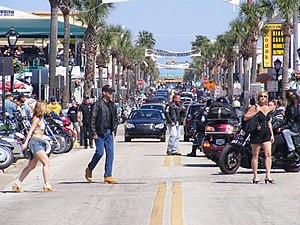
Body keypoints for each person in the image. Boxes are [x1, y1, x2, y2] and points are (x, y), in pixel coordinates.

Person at [12, 101, 55, 192]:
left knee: (31, 166)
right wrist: (26, 143)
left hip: (40, 142)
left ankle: (18, 183)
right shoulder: (36, 118)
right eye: (44, 107)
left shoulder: (41, 118)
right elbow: (30, 131)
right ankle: (46, 184)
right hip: (35, 142)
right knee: (46, 162)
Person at [85, 85, 118, 184]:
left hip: (108, 132)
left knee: (110, 154)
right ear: (104, 93)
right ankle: (89, 168)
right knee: (99, 152)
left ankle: (108, 175)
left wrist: (114, 130)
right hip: (99, 133)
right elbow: (92, 119)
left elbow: (115, 119)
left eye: (112, 92)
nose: (111, 94)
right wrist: (93, 132)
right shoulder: (97, 104)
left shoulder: (112, 105)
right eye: (109, 92)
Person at [244, 90, 274, 184]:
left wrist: (272, 134)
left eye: (265, 96)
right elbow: (245, 117)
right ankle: (255, 176)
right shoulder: (254, 107)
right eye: (261, 96)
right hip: (256, 133)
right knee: (255, 155)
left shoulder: (268, 108)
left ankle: (268, 175)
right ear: (258, 97)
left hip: (266, 133)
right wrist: (255, 112)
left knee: (268, 155)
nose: (263, 98)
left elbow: (269, 122)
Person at [282, 91, 300, 158]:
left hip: (295, 129)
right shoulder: (295, 106)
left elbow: (291, 122)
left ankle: (291, 149)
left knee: (285, 132)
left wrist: (282, 128)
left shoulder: (292, 108)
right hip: (296, 127)